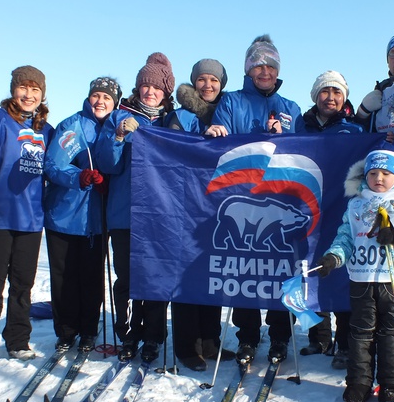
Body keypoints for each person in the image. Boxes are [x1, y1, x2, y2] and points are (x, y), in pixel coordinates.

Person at [206, 35, 302, 364]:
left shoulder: (291, 108)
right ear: (248, 69)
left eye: (271, 65)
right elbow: (223, 142)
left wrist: (284, 137)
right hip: (243, 195)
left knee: (279, 271)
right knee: (244, 271)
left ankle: (279, 337)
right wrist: (218, 133)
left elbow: (302, 152)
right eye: (258, 65)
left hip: (280, 195)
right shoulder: (232, 101)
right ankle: (247, 335)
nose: (265, 71)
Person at [316, 144, 394, 402]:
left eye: (385, 173)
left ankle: (392, 384)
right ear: (365, 176)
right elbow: (345, 237)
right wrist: (333, 257)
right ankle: (358, 383)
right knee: (360, 333)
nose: (378, 178)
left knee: (392, 332)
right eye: (373, 174)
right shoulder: (357, 204)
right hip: (362, 278)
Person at [0, 66, 54, 365]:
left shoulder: (47, 130)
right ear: (13, 89)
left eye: (35, 90)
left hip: (30, 217)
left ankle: (17, 340)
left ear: (42, 94)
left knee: (23, 285)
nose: (28, 95)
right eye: (23, 88)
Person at [96, 53, 175, 363]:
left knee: (154, 279)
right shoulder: (120, 117)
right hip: (125, 214)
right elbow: (107, 165)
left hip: (160, 216)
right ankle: (128, 335)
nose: (150, 92)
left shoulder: (173, 120)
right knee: (128, 278)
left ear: (165, 92)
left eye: (156, 87)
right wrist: (117, 137)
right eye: (145, 86)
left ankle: (154, 336)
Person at [163, 59, 236, 371]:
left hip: (215, 206)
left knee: (214, 274)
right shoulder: (180, 115)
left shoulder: (227, 112)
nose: (208, 85)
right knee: (187, 276)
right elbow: (173, 151)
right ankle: (187, 345)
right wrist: (203, 137)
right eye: (202, 80)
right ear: (194, 83)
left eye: (214, 81)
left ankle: (210, 339)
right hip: (184, 206)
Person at [43, 76, 121, 353]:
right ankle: (66, 330)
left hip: (97, 220)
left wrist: (111, 181)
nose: (101, 102)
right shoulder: (72, 125)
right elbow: (52, 165)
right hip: (64, 216)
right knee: (64, 277)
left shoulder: (115, 127)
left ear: (115, 103)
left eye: (107, 98)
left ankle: (89, 329)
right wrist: (80, 176)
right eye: (96, 96)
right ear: (89, 98)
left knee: (91, 278)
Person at [297, 70, 362, 369]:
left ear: (344, 98)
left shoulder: (355, 130)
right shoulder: (301, 126)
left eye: (337, 92)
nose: (331, 98)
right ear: (316, 96)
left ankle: (345, 343)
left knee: (340, 274)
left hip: (340, 209)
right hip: (306, 209)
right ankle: (318, 336)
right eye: (325, 92)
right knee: (310, 269)